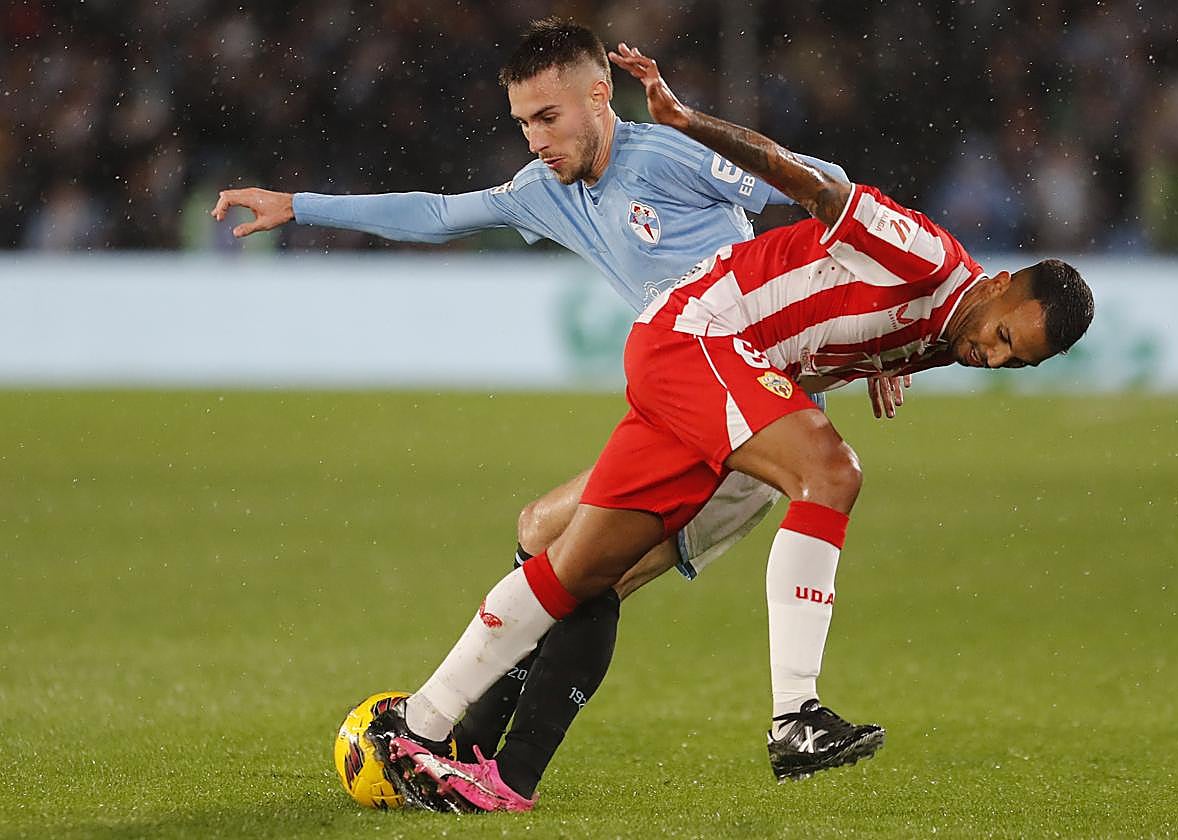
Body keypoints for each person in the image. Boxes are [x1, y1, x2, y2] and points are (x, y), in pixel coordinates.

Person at [363, 42, 1095, 813]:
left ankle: (432, 730)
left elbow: (871, 322)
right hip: (702, 336)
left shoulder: (949, 328)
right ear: (1003, 283)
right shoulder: (924, 255)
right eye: (1005, 338)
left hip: (701, 366)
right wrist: (687, 121)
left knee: (576, 568)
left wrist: (887, 352)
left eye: (1016, 364)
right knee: (832, 469)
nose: (991, 358)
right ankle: (796, 715)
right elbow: (808, 180)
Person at [212, 18, 905, 805]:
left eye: (549, 118)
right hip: (686, 410)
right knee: (545, 536)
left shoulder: (666, 155)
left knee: (579, 568)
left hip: (753, 427)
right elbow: (437, 214)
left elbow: (821, 181)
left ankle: (499, 768)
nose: (536, 140)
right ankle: (470, 748)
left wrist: (878, 331)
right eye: (522, 123)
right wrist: (299, 206)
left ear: (600, 97)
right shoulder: (546, 191)